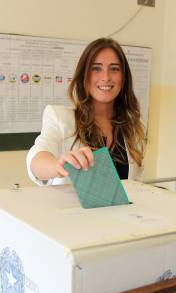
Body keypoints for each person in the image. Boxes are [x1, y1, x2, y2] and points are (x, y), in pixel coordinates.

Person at [26, 38, 145, 185]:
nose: (106, 77)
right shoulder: (60, 118)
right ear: (84, 76)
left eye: (114, 69)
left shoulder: (132, 128)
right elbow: (36, 158)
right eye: (96, 68)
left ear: (124, 78)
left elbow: (134, 185)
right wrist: (56, 165)